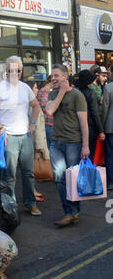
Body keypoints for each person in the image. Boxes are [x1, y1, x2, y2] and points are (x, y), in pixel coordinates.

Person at [0, 56, 42, 216]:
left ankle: (31, 204)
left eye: (18, 70)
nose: (14, 73)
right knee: (9, 176)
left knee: (29, 173)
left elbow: (36, 106)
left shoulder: (25, 88)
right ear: (5, 71)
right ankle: (10, 208)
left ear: (21, 71)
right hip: (8, 137)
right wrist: (0, 127)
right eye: (11, 70)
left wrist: (33, 123)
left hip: (25, 136)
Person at [46, 64, 89, 227]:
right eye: (52, 76)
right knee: (59, 177)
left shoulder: (77, 95)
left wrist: (85, 146)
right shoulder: (53, 93)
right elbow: (50, 111)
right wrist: (62, 92)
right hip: (56, 142)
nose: (53, 78)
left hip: (73, 143)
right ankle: (69, 212)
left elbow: (84, 123)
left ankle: (74, 211)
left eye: (56, 75)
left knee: (72, 179)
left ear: (66, 76)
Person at [25, 80, 50, 203]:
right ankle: (31, 192)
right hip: (33, 141)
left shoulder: (30, 103)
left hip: (31, 140)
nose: (37, 90)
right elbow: (37, 127)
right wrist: (40, 146)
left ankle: (32, 190)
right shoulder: (32, 105)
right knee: (30, 169)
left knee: (29, 169)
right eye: (35, 87)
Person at [75, 70, 105, 161]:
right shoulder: (91, 93)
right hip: (90, 127)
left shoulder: (76, 91)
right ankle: (86, 174)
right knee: (89, 155)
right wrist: (101, 131)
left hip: (76, 127)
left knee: (78, 155)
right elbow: (95, 113)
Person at [102, 65, 113, 190]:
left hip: (110, 126)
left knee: (110, 155)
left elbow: (105, 108)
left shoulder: (109, 88)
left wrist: (102, 125)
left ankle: (110, 182)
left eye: (109, 72)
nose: (108, 74)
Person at [37, 75, 53, 149]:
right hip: (49, 122)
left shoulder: (44, 90)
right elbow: (45, 107)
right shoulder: (45, 91)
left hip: (48, 123)